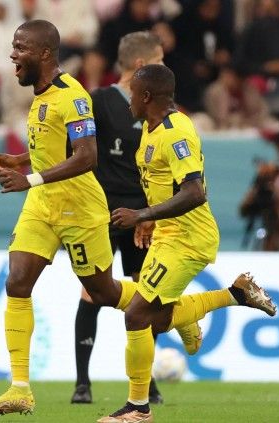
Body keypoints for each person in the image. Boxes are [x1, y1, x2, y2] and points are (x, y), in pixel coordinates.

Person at [0, 19, 142, 416]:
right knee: (17, 281)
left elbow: (87, 156)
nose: (13, 55)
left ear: (45, 54)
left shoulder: (74, 96)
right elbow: (56, 150)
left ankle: (173, 309)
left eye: (20, 48)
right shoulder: (41, 95)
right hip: (42, 204)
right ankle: (19, 388)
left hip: (79, 207)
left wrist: (29, 177)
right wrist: (18, 160)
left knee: (104, 293)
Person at [100, 64, 277, 423]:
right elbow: (164, 185)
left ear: (147, 96)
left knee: (137, 315)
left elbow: (193, 192)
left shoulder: (175, 131)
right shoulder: (149, 130)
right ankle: (235, 294)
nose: (128, 100)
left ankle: (138, 408)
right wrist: (151, 219)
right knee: (158, 319)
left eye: (132, 93)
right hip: (168, 234)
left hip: (189, 238)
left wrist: (142, 214)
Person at [70, 31, 166, 406]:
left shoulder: (160, 110)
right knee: (92, 291)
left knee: (146, 296)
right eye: (160, 59)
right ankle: (82, 382)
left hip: (144, 215)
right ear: (141, 65)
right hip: (102, 212)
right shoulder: (97, 102)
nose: (166, 68)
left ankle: (147, 381)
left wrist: (155, 213)